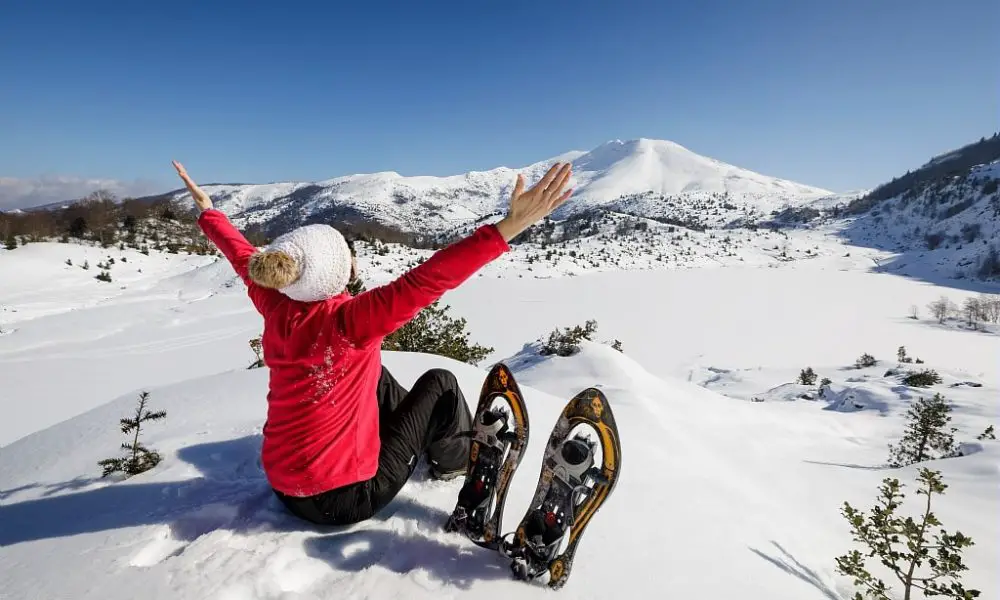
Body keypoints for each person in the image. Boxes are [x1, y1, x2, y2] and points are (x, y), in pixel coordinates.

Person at [171, 159, 573, 526]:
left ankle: (409, 433)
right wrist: (509, 228)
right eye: (346, 256)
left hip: (283, 487)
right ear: (337, 273)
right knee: (441, 383)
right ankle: (455, 462)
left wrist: (209, 212)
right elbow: (431, 278)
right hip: (346, 499)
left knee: (374, 373)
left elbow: (243, 258)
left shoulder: (276, 304)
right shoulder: (351, 322)